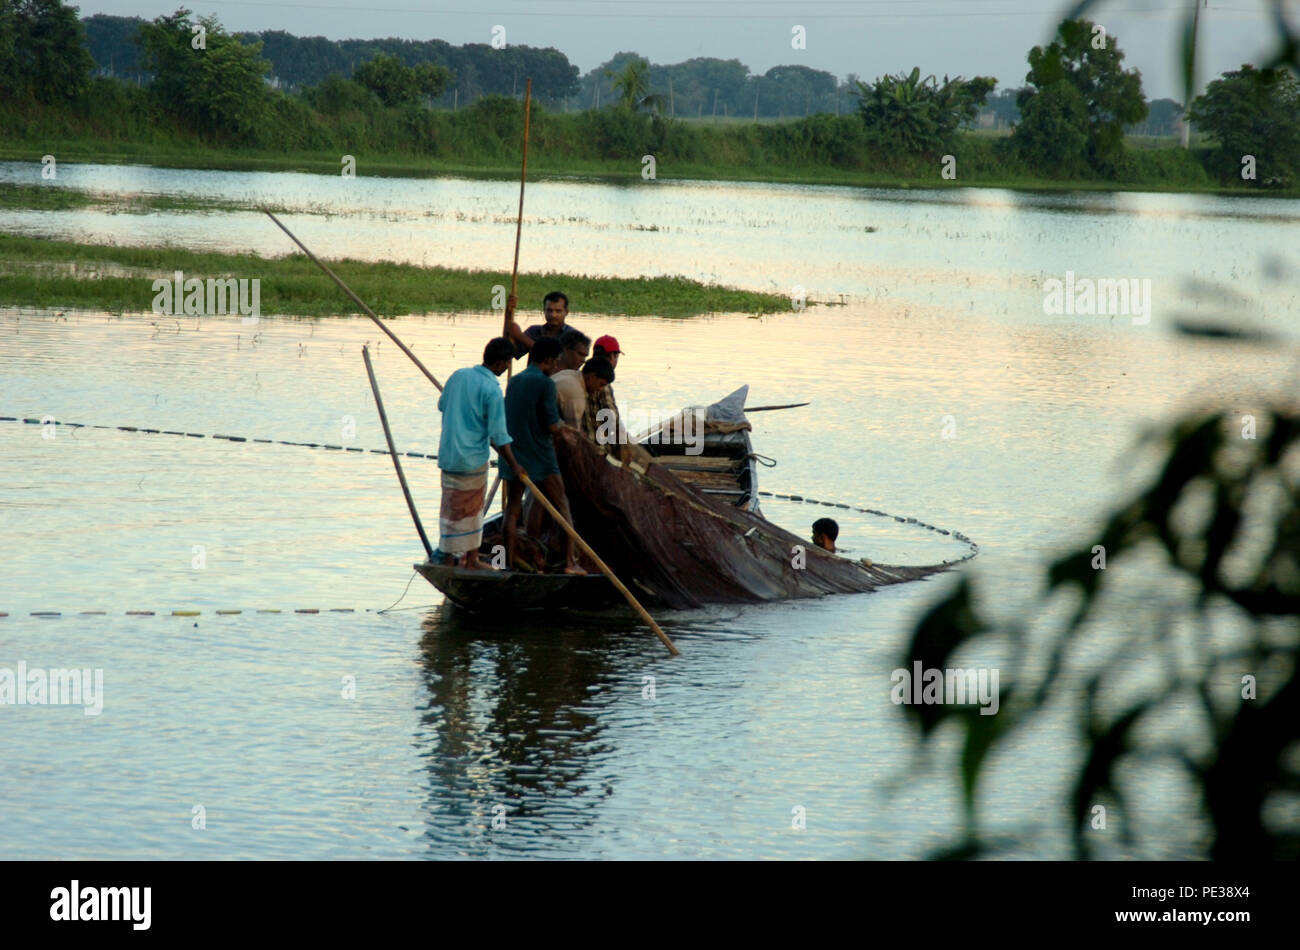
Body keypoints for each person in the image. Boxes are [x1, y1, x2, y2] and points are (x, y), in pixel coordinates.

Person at [435, 337, 525, 569]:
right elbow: (499, 436)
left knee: (451, 510)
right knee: (471, 512)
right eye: (507, 363)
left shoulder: (458, 376)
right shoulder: (492, 391)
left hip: (448, 456)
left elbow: (442, 405)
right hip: (471, 460)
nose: (507, 368)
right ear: (501, 363)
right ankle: (472, 559)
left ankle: (448, 557)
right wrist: (515, 465)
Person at [501, 336, 586, 574]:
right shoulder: (546, 384)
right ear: (548, 360)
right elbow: (551, 424)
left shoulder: (515, 380)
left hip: (513, 457)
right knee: (562, 505)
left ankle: (507, 563)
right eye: (556, 363)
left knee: (512, 509)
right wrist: (565, 431)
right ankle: (571, 562)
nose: (557, 367)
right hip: (540, 456)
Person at [505, 291, 580, 360]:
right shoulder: (534, 331)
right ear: (544, 311)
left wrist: (520, 336)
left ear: (566, 312)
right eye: (549, 310)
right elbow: (510, 353)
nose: (553, 315)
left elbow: (555, 357)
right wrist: (508, 313)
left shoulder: (572, 335)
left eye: (558, 311)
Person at [585, 334, 626, 455]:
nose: (616, 361)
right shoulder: (603, 384)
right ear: (611, 357)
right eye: (616, 356)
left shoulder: (587, 375)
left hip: (588, 444)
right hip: (600, 450)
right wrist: (624, 445)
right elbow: (612, 418)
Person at [553, 357, 614, 433]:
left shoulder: (570, 373)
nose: (600, 390)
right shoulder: (576, 394)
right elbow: (573, 434)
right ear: (592, 377)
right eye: (601, 384)